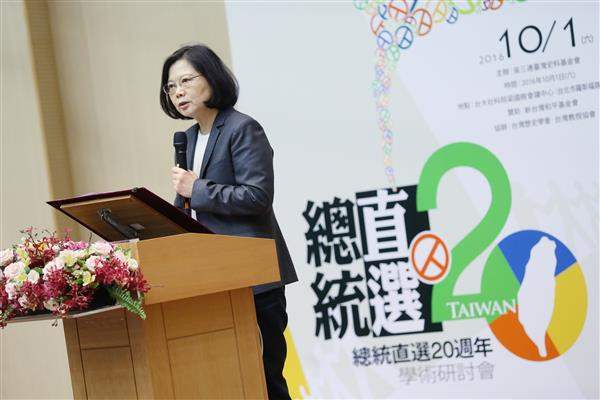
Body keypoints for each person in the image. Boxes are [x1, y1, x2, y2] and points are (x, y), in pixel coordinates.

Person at [160, 44, 298, 399]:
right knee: (230, 382)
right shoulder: (189, 138)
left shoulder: (242, 128)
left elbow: (257, 197)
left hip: (253, 280)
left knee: (265, 381)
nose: (178, 92)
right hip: (213, 281)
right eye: (171, 86)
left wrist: (197, 188)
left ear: (211, 78)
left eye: (186, 81)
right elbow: (189, 206)